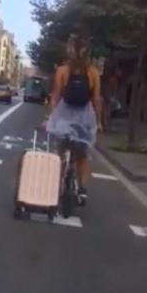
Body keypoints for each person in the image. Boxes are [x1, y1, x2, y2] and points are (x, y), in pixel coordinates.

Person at [44, 34, 102, 201]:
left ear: (69, 51)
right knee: (82, 155)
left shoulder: (62, 71)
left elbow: (55, 97)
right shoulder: (93, 73)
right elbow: (97, 99)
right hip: (85, 117)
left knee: (60, 152)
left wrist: (48, 117)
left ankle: (56, 185)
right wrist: (98, 122)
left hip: (64, 116)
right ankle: (82, 190)